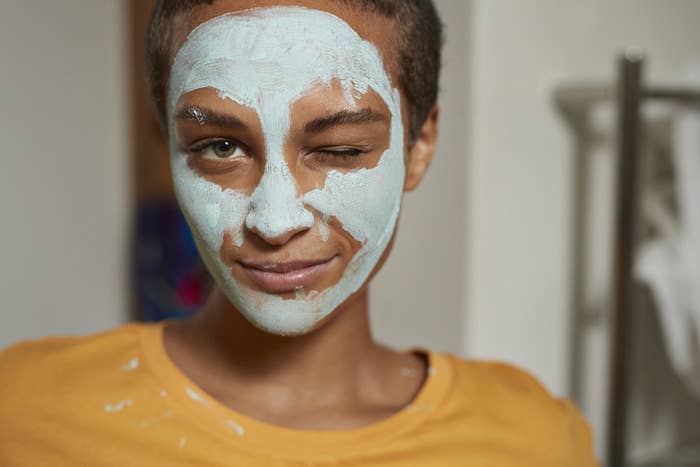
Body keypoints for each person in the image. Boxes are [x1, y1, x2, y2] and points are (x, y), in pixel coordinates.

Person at [0, 0, 600, 465]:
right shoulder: (22, 412)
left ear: (419, 147)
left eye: (338, 150)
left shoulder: (534, 442)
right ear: (172, 147)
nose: (275, 219)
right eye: (220, 146)